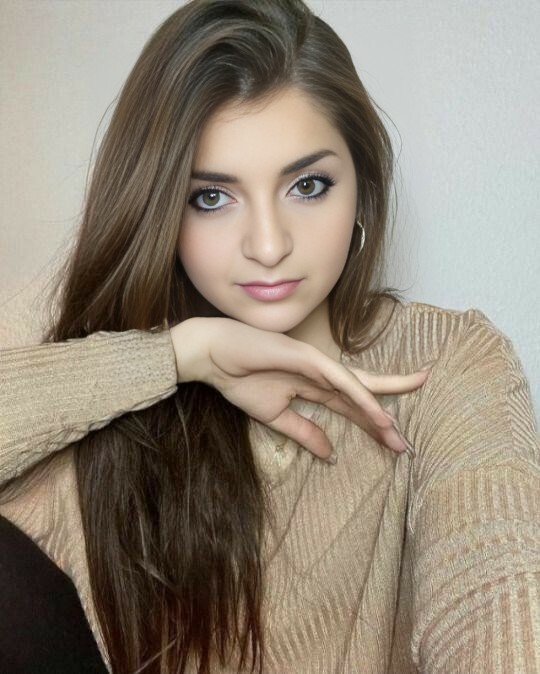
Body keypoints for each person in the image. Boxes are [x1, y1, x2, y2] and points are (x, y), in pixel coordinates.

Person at [0, 1, 538, 672]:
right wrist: (177, 356)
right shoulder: (99, 377)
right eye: (211, 197)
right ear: (161, 209)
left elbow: (498, 588)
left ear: (362, 188)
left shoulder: (447, 362)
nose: (268, 245)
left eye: (308, 185)